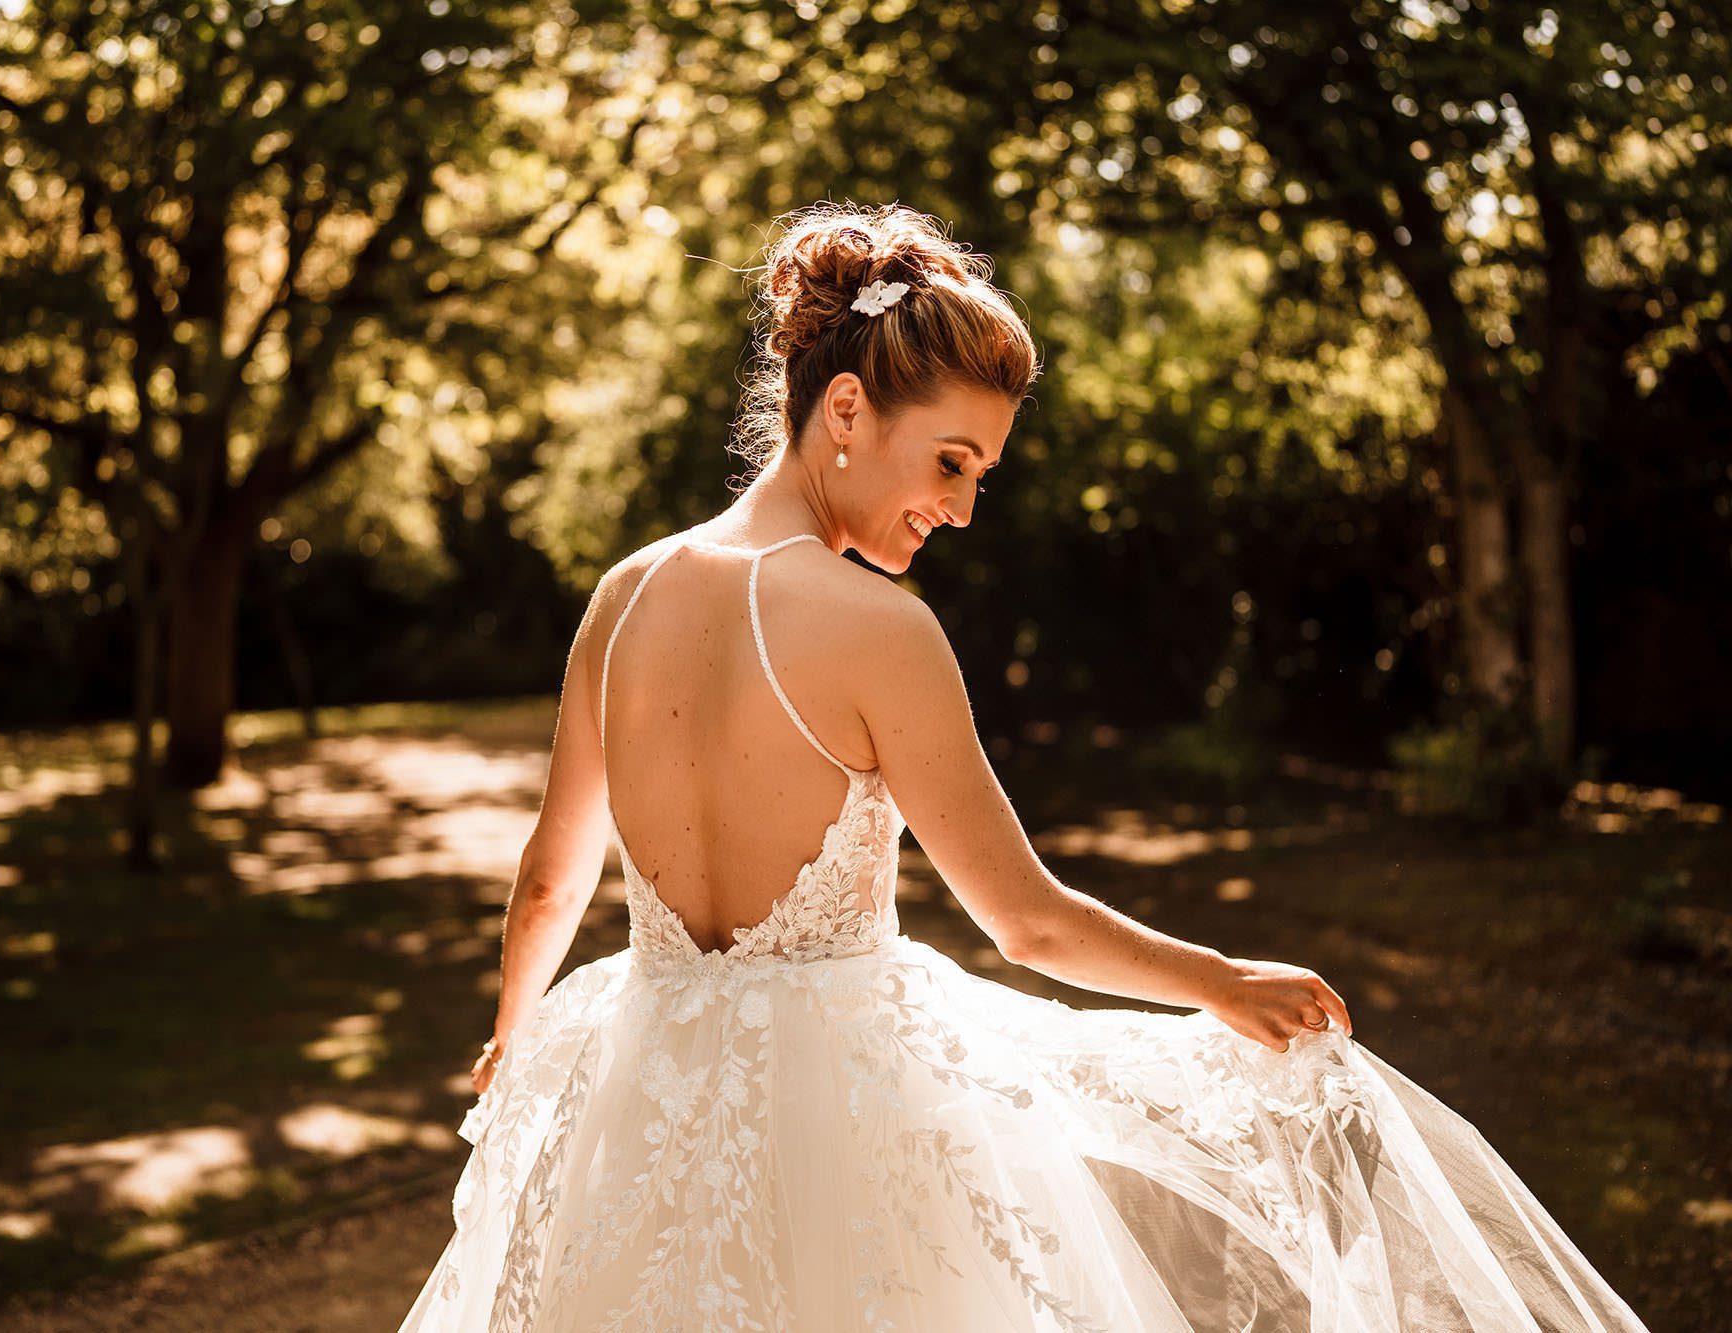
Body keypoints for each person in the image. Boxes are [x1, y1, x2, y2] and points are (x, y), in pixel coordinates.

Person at [395, 202, 1648, 1331]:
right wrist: (1218, 979)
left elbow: (551, 877)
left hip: (642, 1103)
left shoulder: (621, 597)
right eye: (950, 462)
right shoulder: (878, 629)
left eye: (981, 475)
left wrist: (515, 1047)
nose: (962, 508)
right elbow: (1025, 920)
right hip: (845, 1120)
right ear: (845, 411)